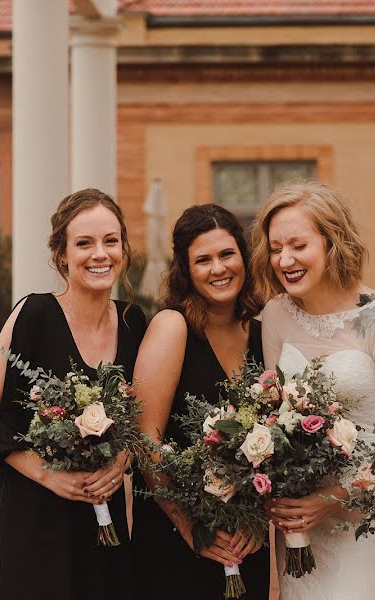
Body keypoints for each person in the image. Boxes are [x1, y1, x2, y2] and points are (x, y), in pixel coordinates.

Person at [0, 188, 146, 600]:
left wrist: (121, 460)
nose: (100, 254)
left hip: (105, 518)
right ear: (62, 254)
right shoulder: (34, 314)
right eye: (84, 243)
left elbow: (144, 417)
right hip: (35, 516)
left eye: (110, 241)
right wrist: (48, 475)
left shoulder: (134, 321)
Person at [251, 181, 375, 599]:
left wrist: (333, 497)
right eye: (275, 248)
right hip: (302, 527)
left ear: (333, 243)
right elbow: (274, 416)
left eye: (298, 245)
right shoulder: (275, 314)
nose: (285, 260)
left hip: (370, 517)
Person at [131, 204, 270, 600]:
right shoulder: (172, 327)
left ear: (243, 257)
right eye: (203, 260)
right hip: (178, 539)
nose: (218, 268)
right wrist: (191, 527)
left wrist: (256, 522)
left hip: (246, 542)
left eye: (227, 254)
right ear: (186, 270)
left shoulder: (263, 333)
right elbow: (145, 440)